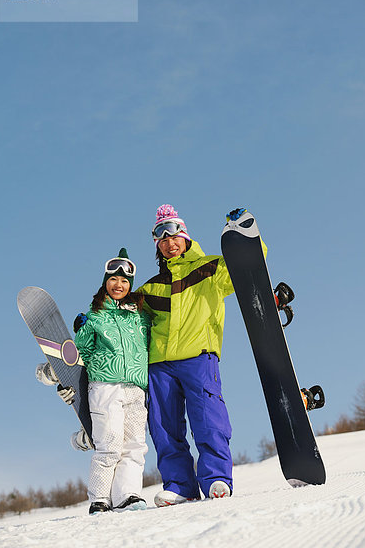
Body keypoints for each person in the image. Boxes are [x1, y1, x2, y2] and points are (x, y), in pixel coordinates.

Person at [135, 204, 254, 507]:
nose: (169, 243)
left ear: (185, 237)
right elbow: (130, 322)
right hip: (159, 363)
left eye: (174, 237)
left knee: (208, 419)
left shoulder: (211, 269)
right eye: (162, 240)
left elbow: (251, 259)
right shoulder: (150, 288)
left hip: (198, 356)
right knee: (164, 427)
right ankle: (179, 486)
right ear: (158, 246)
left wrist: (243, 229)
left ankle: (215, 478)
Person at [36, 248, 151, 514]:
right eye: (113, 279)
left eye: (124, 281)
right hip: (105, 387)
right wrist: (63, 380)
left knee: (135, 446)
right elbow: (80, 356)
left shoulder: (141, 316)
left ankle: (129, 495)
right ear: (105, 282)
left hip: (136, 388)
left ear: (130, 285)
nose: (119, 285)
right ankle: (100, 498)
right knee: (109, 445)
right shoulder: (93, 317)